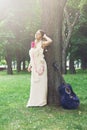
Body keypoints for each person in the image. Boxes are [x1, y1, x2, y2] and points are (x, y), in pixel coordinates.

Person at [26, 29, 52, 107]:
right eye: (36, 33)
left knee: (41, 83)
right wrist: (30, 65)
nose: (36, 34)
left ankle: (41, 101)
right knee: (34, 83)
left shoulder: (42, 43)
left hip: (41, 65)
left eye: (38, 33)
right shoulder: (33, 43)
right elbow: (32, 56)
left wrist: (45, 36)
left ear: (41, 35)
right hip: (34, 65)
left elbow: (50, 41)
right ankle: (34, 101)